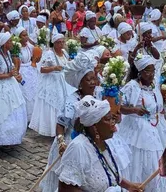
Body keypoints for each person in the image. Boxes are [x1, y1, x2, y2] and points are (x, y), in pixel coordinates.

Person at [56, 95, 143, 192]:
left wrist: (129, 186)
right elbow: (65, 189)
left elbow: (110, 174)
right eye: (108, 119)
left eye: (112, 119)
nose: (113, 123)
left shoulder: (106, 143)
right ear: (94, 127)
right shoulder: (78, 148)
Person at [40, 52, 97, 192]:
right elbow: (61, 124)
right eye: (88, 80)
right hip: (71, 143)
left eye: (94, 79)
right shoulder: (72, 101)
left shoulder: (98, 96)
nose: (93, 83)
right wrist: (61, 142)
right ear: (80, 83)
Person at [119, 55, 166, 192]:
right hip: (138, 129)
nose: (151, 74)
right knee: (144, 160)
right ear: (140, 72)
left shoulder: (154, 86)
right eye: (148, 71)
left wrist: (165, 103)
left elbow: (156, 106)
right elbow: (119, 107)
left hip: (157, 127)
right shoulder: (132, 87)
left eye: (153, 71)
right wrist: (134, 110)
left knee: (158, 158)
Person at [29, 34, 76, 136]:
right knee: (54, 103)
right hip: (52, 81)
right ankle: (51, 128)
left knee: (63, 102)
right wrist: (53, 68)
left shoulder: (64, 53)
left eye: (62, 42)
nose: (61, 44)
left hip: (63, 81)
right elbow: (41, 69)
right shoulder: (49, 54)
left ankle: (62, 125)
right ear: (54, 43)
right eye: (58, 42)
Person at [15, 27, 39, 121]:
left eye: (26, 35)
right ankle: (25, 117)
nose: (26, 37)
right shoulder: (16, 48)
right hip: (22, 71)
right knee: (24, 93)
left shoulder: (30, 46)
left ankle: (34, 116)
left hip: (31, 71)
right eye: (23, 35)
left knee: (34, 92)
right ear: (18, 37)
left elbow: (36, 57)